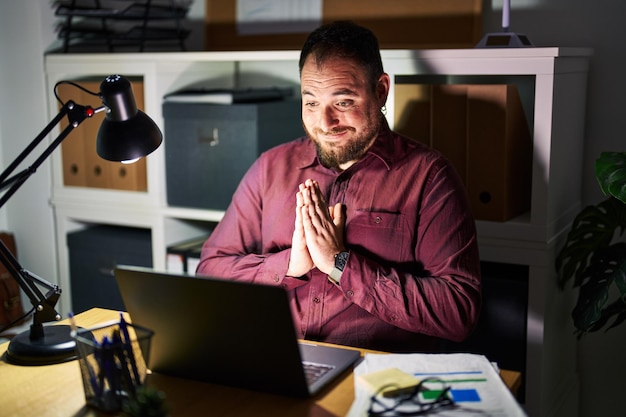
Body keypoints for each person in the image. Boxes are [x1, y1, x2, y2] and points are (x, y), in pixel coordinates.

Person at [196, 21, 481, 353]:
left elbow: (458, 311)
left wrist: (340, 263)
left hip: (374, 375)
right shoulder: (270, 168)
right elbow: (210, 270)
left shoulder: (429, 176)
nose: (324, 123)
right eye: (312, 103)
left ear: (381, 90)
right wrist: (289, 264)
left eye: (343, 102)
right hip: (275, 357)